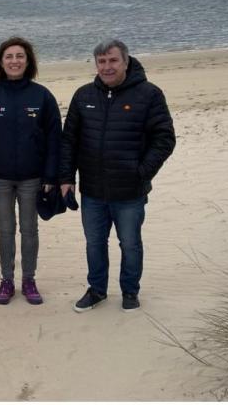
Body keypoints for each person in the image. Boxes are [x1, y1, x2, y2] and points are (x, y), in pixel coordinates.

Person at [59, 39, 176, 313]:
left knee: (130, 244)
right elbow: (69, 141)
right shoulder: (84, 96)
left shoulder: (149, 94)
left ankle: (130, 291)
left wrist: (142, 171)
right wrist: (67, 178)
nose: (107, 67)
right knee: (95, 243)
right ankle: (97, 290)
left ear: (125, 61)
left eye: (112, 60)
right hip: (92, 190)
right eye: (101, 61)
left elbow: (165, 139)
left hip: (130, 192)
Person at [0, 37, 61, 306]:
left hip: (33, 179)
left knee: (30, 230)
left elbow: (56, 138)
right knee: (6, 229)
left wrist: (50, 176)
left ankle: (29, 280)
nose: (14, 61)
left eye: (20, 56)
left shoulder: (42, 96)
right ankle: (7, 280)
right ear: (0, 62)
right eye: (9, 56)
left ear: (28, 61)